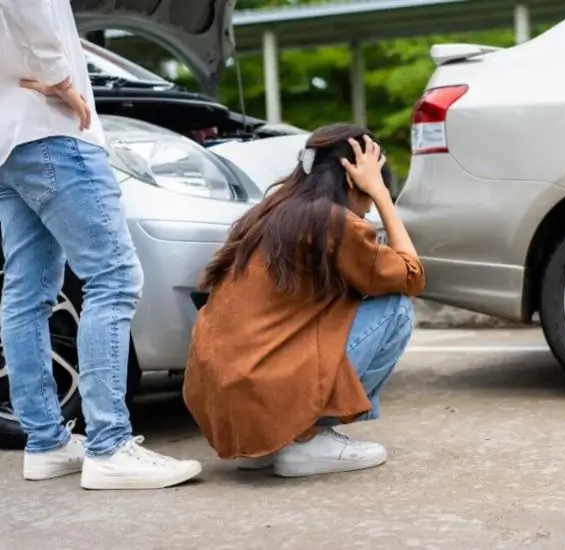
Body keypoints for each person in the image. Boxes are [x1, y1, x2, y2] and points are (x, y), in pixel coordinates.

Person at [0, 0, 201, 489]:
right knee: (113, 276)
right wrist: (63, 78)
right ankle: (110, 445)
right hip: (50, 129)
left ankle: (46, 442)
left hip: (10, 136)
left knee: (27, 293)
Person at [183, 123, 425, 477]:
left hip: (219, 402)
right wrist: (383, 194)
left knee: (330, 311)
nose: (369, 211)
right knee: (397, 310)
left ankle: (264, 445)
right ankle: (307, 441)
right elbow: (411, 274)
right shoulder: (333, 223)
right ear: (353, 181)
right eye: (370, 198)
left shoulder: (268, 213)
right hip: (262, 385)